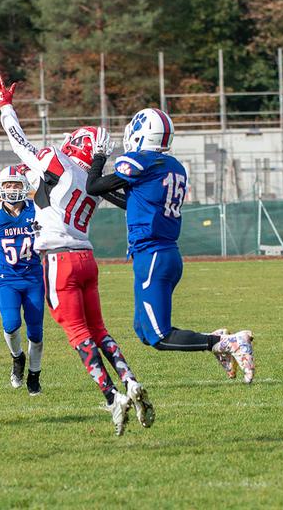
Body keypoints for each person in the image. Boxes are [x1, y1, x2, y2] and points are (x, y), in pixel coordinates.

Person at [0, 74, 152, 436]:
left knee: (79, 334)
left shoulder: (57, 161)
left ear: (76, 143)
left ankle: (112, 398)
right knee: (100, 330)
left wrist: (5, 107)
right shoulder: (93, 183)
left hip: (59, 261)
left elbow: (20, 145)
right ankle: (130, 380)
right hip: (86, 259)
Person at [85, 108, 255, 382]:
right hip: (163, 254)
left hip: (152, 254)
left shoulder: (141, 162)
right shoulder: (173, 166)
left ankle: (226, 342)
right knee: (142, 331)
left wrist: (99, 156)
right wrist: (106, 189)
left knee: (158, 335)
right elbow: (134, 202)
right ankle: (218, 341)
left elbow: (93, 186)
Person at [0, 165, 45, 394]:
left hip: (34, 276)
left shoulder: (38, 210)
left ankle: (34, 375)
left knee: (36, 333)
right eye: (7, 184)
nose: (12, 189)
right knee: (11, 324)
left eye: (16, 184)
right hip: (7, 278)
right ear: (0, 187)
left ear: (25, 186)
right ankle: (17, 358)